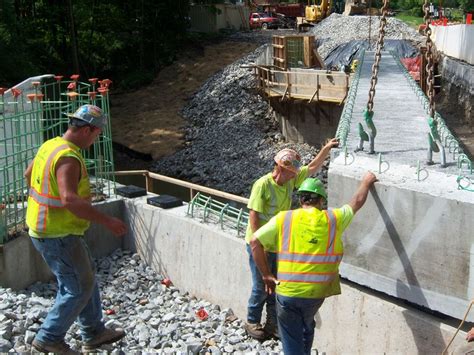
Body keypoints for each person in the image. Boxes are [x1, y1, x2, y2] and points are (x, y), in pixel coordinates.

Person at [24, 104, 128, 354]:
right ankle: (49, 337)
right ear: (88, 130)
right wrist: (108, 221)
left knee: (85, 277)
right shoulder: (69, 157)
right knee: (77, 286)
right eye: (96, 134)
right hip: (57, 233)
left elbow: (29, 175)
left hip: (48, 228)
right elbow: (69, 199)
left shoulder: (51, 145)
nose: (95, 139)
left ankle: (93, 332)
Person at [249, 172, 377, 354]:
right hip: (317, 292)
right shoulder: (333, 219)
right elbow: (356, 202)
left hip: (288, 293)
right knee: (306, 324)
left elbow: (254, 242)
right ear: (321, 201)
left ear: (301, 199)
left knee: (291, 338)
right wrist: (366, 181)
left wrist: (266, 275)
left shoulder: (284, 218)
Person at [244, 138, 339, 340]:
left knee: (275, 285)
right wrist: (261, 243)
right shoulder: (262, 185)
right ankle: (252, 321)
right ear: (280, 168)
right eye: (291, 173)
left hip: (277, 244)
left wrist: (326, 148)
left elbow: (312, 167)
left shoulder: (289, 181)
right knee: (261, 284)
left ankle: (272, 323)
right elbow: (254, 216)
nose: (294, 177)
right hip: (259, 246)